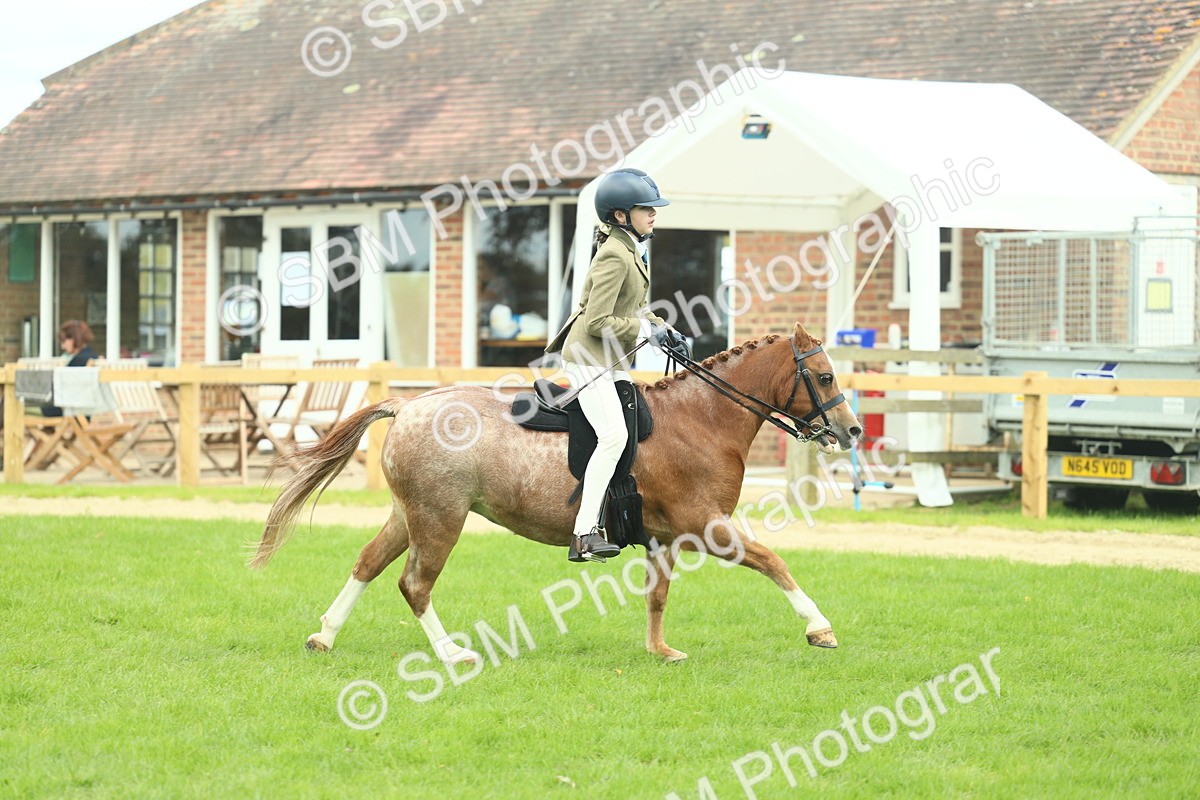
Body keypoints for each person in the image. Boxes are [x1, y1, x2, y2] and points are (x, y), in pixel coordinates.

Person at [545, 168, 678, 563]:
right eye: (645, 209)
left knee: (634, 428)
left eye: (654, 208)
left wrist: (664, 328)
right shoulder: (614, 256)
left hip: (610, 360)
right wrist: (643, 331)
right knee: (614, 436)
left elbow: (633, 307)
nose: (653, 214)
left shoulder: (630, 249)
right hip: (588, 358)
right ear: (621, 216)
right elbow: (597, 321)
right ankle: (584, 533)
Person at [40, 320, 99, 417]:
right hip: (83, 409)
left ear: (73, 339)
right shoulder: (91, 355)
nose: (63, 346)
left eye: (64, 342)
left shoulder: (79, 360)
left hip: (68, 408)